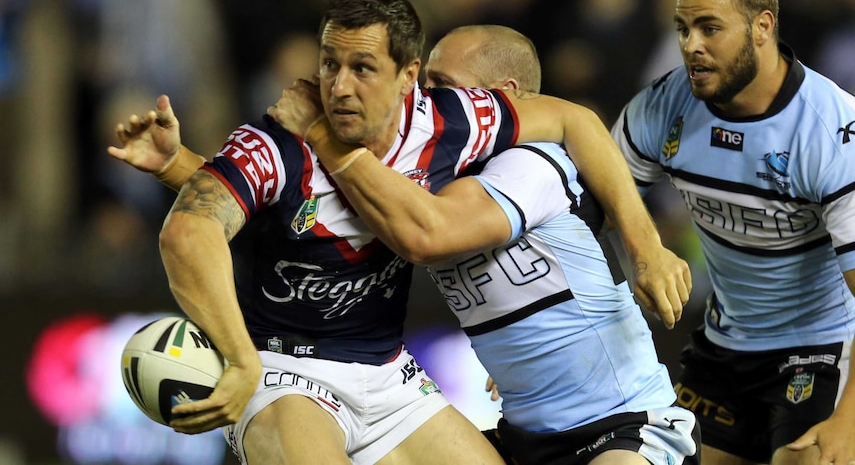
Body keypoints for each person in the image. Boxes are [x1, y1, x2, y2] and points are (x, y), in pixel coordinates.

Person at [109, 0, 690, 464]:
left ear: (407, 77)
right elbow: (197, 230)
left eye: (363, 68)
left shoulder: (459, 127)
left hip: (394, 379)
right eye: (329, 64)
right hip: (287, 368)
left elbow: (425, 230)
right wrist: (240, 358)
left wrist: (646, 247)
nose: (338, 86)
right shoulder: (274, 142)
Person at [272, 23, 701, 465]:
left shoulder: (530, 163)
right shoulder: (427, 176)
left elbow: (427, 233)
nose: (425, 100)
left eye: (442, 85)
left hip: (622, 425)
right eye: (424, 84)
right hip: (525, 438)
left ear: (502, 95)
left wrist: (324, 137)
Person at [608, 0, 855, 464]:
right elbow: (591, 206)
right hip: (723, 347)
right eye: (682, 28)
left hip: (821, 350)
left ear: (762, 26)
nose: (690, 45)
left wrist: (850, 419)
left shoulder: (831, 132)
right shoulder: (664, 106)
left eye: (709, 28)